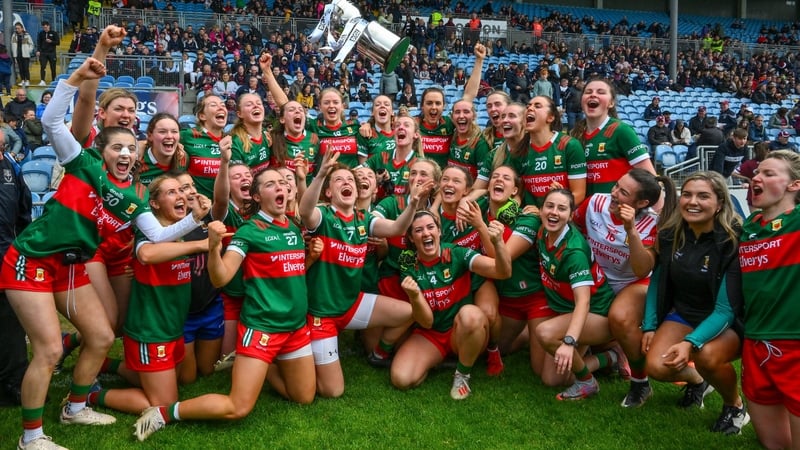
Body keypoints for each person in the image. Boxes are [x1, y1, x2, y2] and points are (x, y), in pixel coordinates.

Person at [133, 169, 317, 442]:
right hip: (265, 327)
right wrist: (212, 247)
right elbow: (220, 278)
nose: (280, 187)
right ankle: (164, 413)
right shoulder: (249, 231)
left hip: (296, 329)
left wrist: (310, 257)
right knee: (237, 408)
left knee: (303, 397)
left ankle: (257, 366)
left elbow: (290, 273)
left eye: (282, 182)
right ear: (257, 196)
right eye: (270, 184)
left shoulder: (291, 226)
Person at [0, 57, 120, 450]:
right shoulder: (80, 159)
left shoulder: (123, 190)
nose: (125, 154)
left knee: (101, 336)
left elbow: (153, 227)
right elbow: (58, 119)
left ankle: (75, 406)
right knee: (49, 348)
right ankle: (31, 437)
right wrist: (80, 75)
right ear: (101, 146)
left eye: (130, 149)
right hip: (32, 258)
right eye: (117, 147)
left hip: (70, 264)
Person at [296, 150, 434, 397]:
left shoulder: (363, 218)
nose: (346, 183)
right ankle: (281, 364)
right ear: (328, 192)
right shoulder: (324, 216)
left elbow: (395, 228)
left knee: (412, 311)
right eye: (338, 181)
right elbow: (305, 211)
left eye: (350, 180)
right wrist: (320, 176)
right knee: (333, 391)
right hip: (322, 315)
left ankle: (379, 352)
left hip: (351, 305)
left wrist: (413, 203)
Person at [81, 174, 210, 415]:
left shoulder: (181, 230)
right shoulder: (148, 231)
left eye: (181, 191)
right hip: (150, 332)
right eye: (171, 192)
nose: (180, 195)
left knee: (187, 379)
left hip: (173, 328)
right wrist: (199, 246)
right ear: (154, 203)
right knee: (164, 403)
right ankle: (89, 394)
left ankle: (110, 364)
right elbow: (147, 255)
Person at [640, 171, 748, 435]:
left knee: (706, 355)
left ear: (720, 203)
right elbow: (658, 280)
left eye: (703, 196)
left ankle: (734, 406)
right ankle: (699, 382)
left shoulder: (732, 241)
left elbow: (725, 309)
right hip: (684, 314)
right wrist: (650, 325)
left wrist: (690, 342)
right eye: (687, 194)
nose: (692, 202)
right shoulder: (670, 234)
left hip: (727, 321)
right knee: (655, 366)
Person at [573, 169, 676, 408]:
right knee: (556, 375)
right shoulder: (595, 202)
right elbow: (575, 229)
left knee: (620, 317)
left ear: (642, 203)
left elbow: (642, 270)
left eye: (623, 192)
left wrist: (631, 229)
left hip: (631, 283)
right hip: (597, 281)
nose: (614, 193)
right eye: (617, 186)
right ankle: (614, 353)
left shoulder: (652, 223)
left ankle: (640, 383)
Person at [390, 210, 511, 399]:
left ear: (439, 232)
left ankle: (462, 374)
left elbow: (502, 272)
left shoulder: (456, 253)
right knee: (401, 379)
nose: (426, 233)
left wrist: (498, 243)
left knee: (472, 315)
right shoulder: (410, 269)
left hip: (460, 330)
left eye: (431, 227)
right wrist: (414, 296)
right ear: (412, 238)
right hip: (432, 334)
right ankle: (439, 360)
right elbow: (427, 322)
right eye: (418, 230)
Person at [739, 150, 800, 448]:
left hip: (794, 343)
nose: (756, 177)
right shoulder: (750, 227)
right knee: (774, 444)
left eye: (768, 173)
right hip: (755, 344)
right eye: (756, 173)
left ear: (794, 185)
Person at [534, 189, 617, 400]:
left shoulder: (574, 251)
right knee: (551, 379)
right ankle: (612, 357)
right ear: (541, 210)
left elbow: (584, 302)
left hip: (597, 313)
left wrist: (569, 341)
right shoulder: (543, 231)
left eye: (562, 209)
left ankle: (587, 382)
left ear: (571, 216)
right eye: (549, 206)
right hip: (567, 311)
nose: (554, 212)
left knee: (545, 333)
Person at [496, 96, 586, 208]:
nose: (530, 108)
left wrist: (545, 211)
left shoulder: (570, 145)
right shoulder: (519, 151)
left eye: (537, 106)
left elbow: (579, 194)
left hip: (560, 215)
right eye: (528, 106)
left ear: (550, 117)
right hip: (529, 217)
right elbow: (517, 192)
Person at [572, 79, 654, 197]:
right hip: (586, 211)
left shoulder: (621, 131)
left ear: (611, 103)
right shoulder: (574, 136)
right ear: (581, 101)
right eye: (588, 92)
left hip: (616, 210)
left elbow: (650, 177)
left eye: (601, 92)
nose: (593, 94)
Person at [0, 128, 31, 407]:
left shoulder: (10, 167)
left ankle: (12, 383)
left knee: (10, 321)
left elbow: (24, 213)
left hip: (6, 257)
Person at [230, 93, 271, 174]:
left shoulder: (267, 136)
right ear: (239, 114)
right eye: (249, 104)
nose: (256, 106)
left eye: (259, 103)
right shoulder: (235, 143)